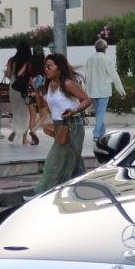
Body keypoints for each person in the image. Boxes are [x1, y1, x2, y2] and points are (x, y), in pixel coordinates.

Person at [32, 53, 92, 195]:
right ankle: (83, 191)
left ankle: (42, 194)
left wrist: (74, 110)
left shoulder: (68, 84)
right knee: (74, 164)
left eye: (50, 66)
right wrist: (37, 90)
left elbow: (87, 100)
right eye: (45, 66)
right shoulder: (49, 85)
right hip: (60, 127)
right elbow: (41, 106)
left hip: (72, 127)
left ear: (59, 69)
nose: (46, 69)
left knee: (54, 162)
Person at [84, 38, 126, 140]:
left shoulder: (90, 60)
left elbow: (87, 77)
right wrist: (121, 90)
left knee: (99, 113)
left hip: (93, 90)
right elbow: (114, 75)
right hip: (104, 90)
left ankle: (102, 134)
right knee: (101, 112)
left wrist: (86, 90)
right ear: (104, 48)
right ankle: (96, 133)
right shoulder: (107, 59)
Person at [6, 41, 34, 144]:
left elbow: (8, 75)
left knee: (16, 112)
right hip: (25, 89)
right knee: (26, 114)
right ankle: (24, 138)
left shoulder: (11, 60)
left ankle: (15, 130)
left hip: (13, 88)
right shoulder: (29, 61)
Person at [26, 46, 46, 145]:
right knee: (43, 115)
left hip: (29, 90)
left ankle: (33, 140)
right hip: (39, 91)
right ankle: (33, 131)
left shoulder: (29, 63)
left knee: (32, 116)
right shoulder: (44, 64)